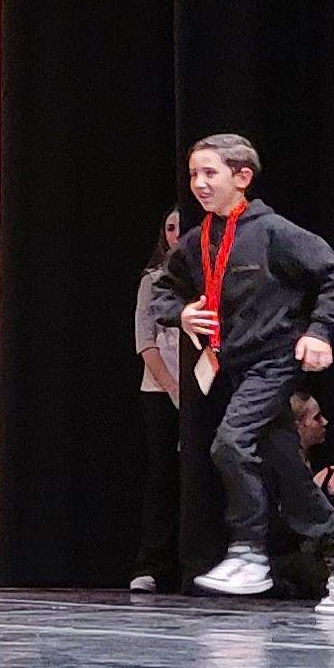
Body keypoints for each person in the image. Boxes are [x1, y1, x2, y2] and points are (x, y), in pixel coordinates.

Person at [140, 134, 334, 605]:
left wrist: (320, 331)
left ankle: (248, 551)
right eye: (194, 174)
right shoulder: (199, 239)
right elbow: (164, 289)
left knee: (229, 444)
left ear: (241, 177)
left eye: (210, 173)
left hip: (273, 361)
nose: (200, 183)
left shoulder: (273, 232)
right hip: (235, 368)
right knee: (288, 469)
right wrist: (182, 312)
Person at [127, 207, 189, 592]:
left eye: (182, 227)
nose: (175, 234)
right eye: (169, 227)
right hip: (161, 391)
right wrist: (173, 388)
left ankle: (202, 561)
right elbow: (145, 342)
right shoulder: (153, 280)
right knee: (162, 478)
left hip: (202, 390)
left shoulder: (205, 279)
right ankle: (151, 565)